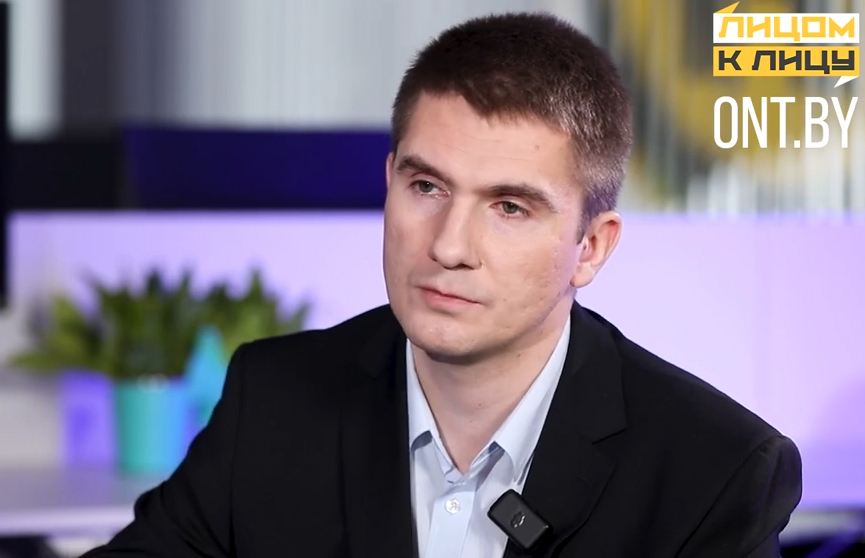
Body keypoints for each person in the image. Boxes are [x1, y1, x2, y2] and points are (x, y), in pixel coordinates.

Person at [81, 11, 802, 558]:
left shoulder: (714, 473)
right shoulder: (272, 400)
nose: (448, 246)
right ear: (388, 182)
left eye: (509, 207)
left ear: (590, 247)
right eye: (426, 186)